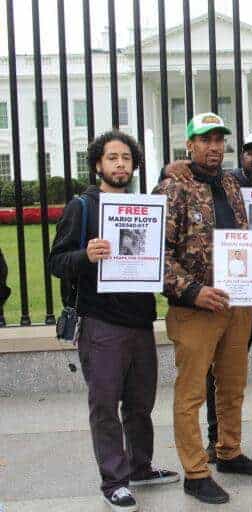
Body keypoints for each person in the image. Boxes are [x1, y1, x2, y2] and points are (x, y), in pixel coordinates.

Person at [50, 131, 178, 512]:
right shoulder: (82, 207)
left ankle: (140, 467)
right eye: (112, 158)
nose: (120, 164)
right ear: (98, 164)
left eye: (126, 158)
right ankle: (114, 481)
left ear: (134, 165)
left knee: (140, 403)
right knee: (105, 404)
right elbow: (57, 262)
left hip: (140, 320)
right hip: (101, 323)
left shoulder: (144, 206)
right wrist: (85, 255)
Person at [162, 129, 252, 462]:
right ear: (241, 156)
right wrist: (167, 169)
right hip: (234, 292)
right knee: (221, 374)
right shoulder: (227, 183)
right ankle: (217, 440)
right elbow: (188, 179)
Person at [154, 113, 252, 505]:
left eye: (219, 139)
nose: (214, 147)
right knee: (190, 394)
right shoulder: (172, 188)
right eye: (205, 140)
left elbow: (241, 235)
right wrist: (193, 291)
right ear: (190, 145)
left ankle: (229, 451)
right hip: (195, 308)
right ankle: (195, 472)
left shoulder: (231, 183)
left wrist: (251, 273)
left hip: (236, 301)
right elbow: (158, 256)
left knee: (233, 384)